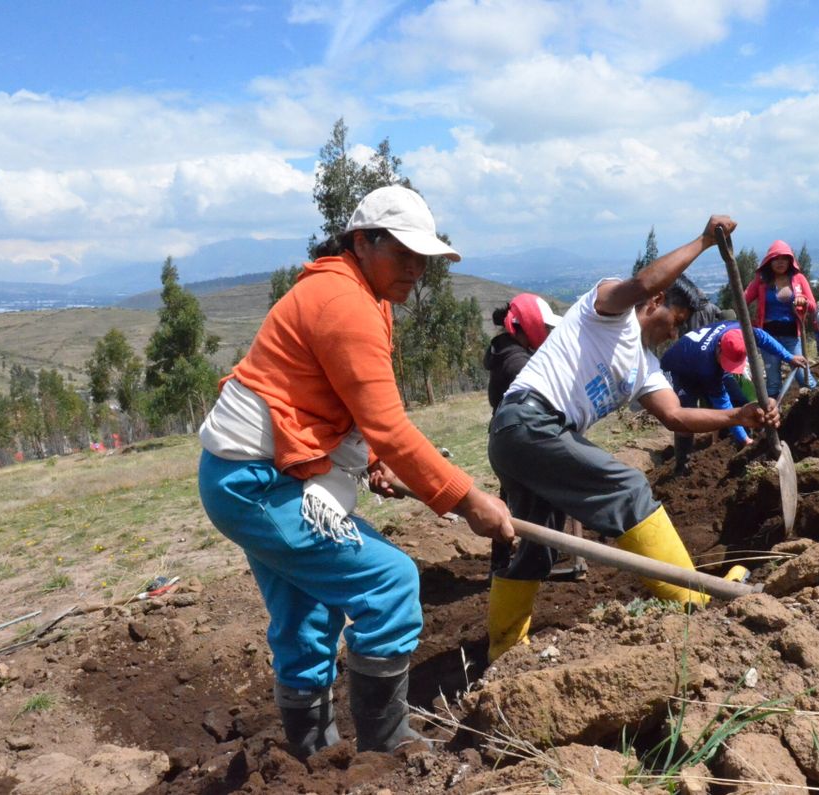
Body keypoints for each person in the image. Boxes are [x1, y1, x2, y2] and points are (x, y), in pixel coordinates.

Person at [196, 185, 514, 759]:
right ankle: (386, 751)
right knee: (391, 582)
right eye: (403, 253)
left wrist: (371, 461)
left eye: (424, 259)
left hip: (257, 474)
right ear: (362, 242)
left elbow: (330, 402)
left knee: (306, 615)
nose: (416, 270)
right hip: (259, 484)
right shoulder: (345, 304)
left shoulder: (355, 293)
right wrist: (469, 500)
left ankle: (314, 762)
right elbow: (390, 426)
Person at [486, 215, 779, 662]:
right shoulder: (607, 311)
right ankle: (691, 600)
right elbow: (640, 282)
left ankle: (505, 651)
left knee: (537, 545)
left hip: (525, 438)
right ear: (656, 302)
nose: (674, 333)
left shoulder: (645, 366)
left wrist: (738, 414)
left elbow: (676, 416)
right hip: (527, 421)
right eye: (674, 321)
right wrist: (703, 242)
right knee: (628, 486)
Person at [483, 294, 564, 574]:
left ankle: (501, 563)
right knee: (537, 499)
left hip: (506, 437)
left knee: (510, 499)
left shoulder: (504, 351)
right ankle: (530, 563)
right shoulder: (518, 363)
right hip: (521, 438)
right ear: (529, 326)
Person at [661, 320, 806, 474]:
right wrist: (744, 440)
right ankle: (682, 465)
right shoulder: (707, 366)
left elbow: (764, 338)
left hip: (702, 359)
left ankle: (736, 435)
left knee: (739, 395)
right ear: (719, 348)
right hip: (677, 370)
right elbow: (723, 403)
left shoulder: (743, 331)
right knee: (685, 418)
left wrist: (789, 357)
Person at [742, 240, 817, 398]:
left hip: (792, 336)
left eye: (784, 258)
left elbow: (813, 306)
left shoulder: (799, 279)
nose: (780, 262)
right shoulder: (761, 280)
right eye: (776, 258)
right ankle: (775, 416)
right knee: (773, 380)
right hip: (768, 337)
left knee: (802, 374)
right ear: (769, 261)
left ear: (790, 261)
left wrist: (803, 300)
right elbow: (743, 300)